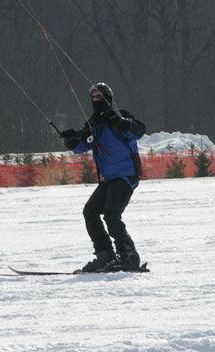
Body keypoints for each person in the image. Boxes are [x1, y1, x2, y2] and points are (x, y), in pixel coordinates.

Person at [60, 82, 145, 272]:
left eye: (100, 96)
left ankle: (128, 256)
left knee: (112, 215)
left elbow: (138, 130)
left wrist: (122, 123)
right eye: (93, 97)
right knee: (90, 211)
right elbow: (84, 144)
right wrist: (71, 141)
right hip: (109, 178)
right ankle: (105, 255)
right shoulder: (94, 123)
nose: (96, 100)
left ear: (109, 98)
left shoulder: (120, 116)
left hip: (126, 174)